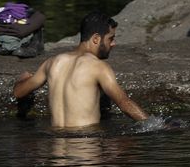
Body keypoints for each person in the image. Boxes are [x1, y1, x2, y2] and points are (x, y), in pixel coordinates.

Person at [12, 12, 149, 128]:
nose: (113, 44)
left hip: (57, 151)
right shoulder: (98, 67)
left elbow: (19, 92)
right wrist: (153, 124)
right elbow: (124, 103)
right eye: (110, 38)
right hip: (86, 150)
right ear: (96, 39)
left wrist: (23, 79)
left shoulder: (52, 62)